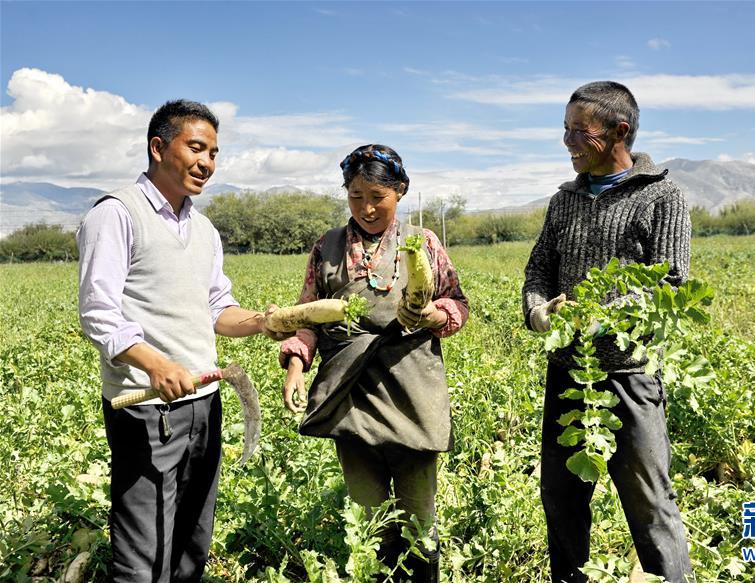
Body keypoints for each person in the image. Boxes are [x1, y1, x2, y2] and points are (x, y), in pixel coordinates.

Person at [77, 99, 283, 582]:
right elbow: (98, 312)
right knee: (143, 553)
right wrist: (155, 364)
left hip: (203, 402)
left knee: (192, 541)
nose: (206, 162)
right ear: (158, 147)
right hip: (147, 406)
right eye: (195, 148)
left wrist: (264, 321)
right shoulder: (117, 214)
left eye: (213, 153)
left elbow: (218, 309)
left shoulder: (204, 229)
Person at [522, 82, 694, 583]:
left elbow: (670, 284)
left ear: (620, 131)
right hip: (568, 373)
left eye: (581, 130)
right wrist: (538, 312)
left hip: (629, 375)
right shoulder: (564, 200)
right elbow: (538, 270)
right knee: (562, 499)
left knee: (649, 503)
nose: (568, 141)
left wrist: (600, 316)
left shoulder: (661, 196)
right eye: (566, 129)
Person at [278, 144, 468, 582]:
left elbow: (457, 303)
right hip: (350, 390)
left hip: (410, 388)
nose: (366, 208)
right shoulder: (327, 248)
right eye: (356, 196)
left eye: (377, 197)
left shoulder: (422, 243)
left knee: (418, 514)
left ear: (399, 191)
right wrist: (296, 364)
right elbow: (306, 315)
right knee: (368, 515)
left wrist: (431, 315)